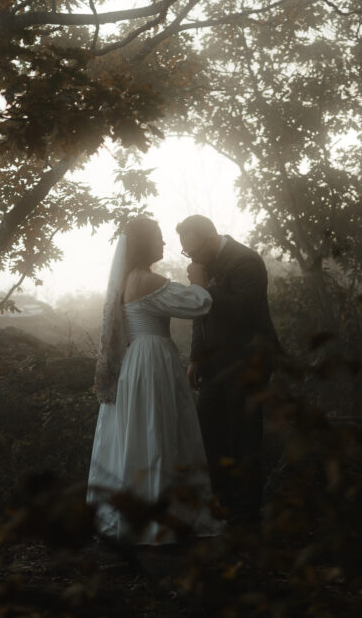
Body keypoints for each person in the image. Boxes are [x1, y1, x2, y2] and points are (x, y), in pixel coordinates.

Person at [86, 217, 223, 544]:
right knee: (158, 432)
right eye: (159, 238)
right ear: (144, 244)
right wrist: (200, 279)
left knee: (141, 433)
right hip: (152, 359)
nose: (164, 245)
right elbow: (198, 304)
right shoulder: (146, 280)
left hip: (135, 360)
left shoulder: (127, 280)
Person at [176, 214, 280, 526]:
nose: (191, 258)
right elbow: (200, 311)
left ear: (210, 237)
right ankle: (219, 508)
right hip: (212, 365)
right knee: (209, 435)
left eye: (193, 252)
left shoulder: (245, 260)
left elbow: (243, 310)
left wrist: (202, 285)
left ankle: (247, 517)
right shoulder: (204, 264)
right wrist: (196, 357)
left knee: (245, 437)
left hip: (249, 362)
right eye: (187, 254)